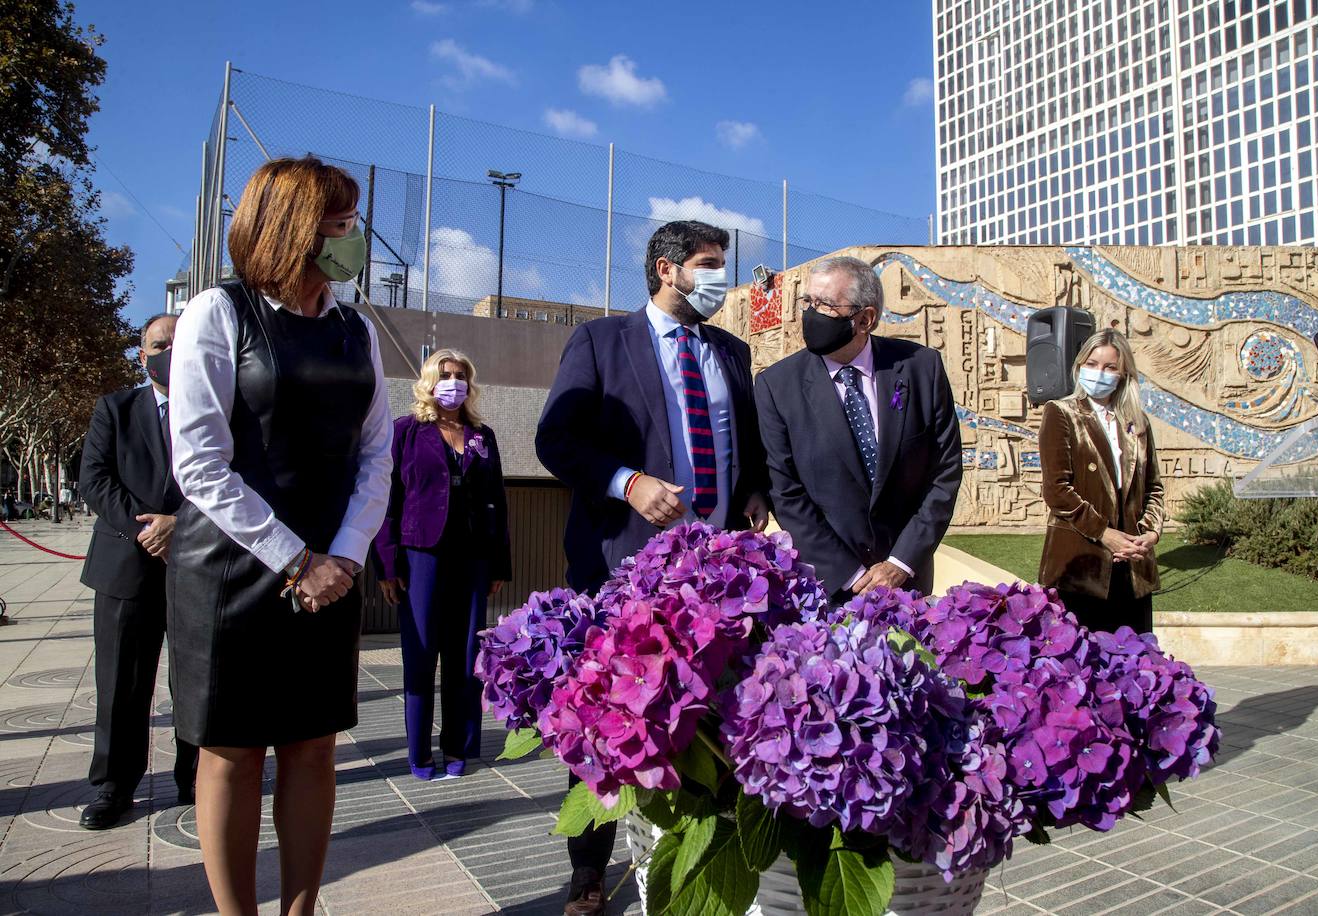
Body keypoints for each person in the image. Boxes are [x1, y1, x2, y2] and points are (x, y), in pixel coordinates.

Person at [167, 156, 392, 916]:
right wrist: (297, 559)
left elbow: (376, 455)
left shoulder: (356, 329)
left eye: (352, 223)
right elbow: (200, 464)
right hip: (232, 571)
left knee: (313, 746)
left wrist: (344, 557)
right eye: (341, 224)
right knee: (231, 753)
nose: (353, 238)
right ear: (292, 228)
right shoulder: (218, 313)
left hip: (330, 573)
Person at [535, 219, 770, 916]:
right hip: (625, 569)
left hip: (716, 576)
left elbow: (745, 440)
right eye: (708, 263)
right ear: (667, 270)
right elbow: (555, 440)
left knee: (706, 714)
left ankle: (698, 858)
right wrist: (628, 482)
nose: (720, 277)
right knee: (611, 720)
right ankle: (588, 871)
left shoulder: (731, 351)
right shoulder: (601, 342)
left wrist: (754, 489)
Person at [755, 256, 963, 599]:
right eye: (808, 302)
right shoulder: (777, 386)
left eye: (824, 304)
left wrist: (901, 562)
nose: (811, 314)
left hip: (907, 581)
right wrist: (850, 575)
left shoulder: (921, 368)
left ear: (865, 319)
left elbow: (944, 472)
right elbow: (785, 491)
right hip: (829, 587)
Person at [76, 314, 198, 829]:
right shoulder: (116, 408)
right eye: (159, 344)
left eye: (179, 342)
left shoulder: (218, 410)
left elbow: (234, 479)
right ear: (143, 353)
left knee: (194, 680)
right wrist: (146, 529)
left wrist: (180, 525)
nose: (169, 351)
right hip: (125, 567)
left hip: (194, 565)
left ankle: (195, 778)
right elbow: (94, 479)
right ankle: (114, 785)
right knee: (121, 682)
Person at [373, 348, 512, 781]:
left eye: (461, 375)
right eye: (446, 374)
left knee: (464, 656)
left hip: (472, 558)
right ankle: (419, 754)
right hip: (420, 557)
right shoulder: (405, 431)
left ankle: (458, 747)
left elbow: (497, 501)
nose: (454, 382)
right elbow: (386, 498)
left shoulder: (482, 435)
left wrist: (498, 564)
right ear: (429, 382)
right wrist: (386, 564)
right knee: (420, 656)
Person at [1038, 329, 1164, 633]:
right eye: (1092, 364)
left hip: (1132, 566)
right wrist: (1104, 533)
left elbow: (1153, 487)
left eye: (1109, 367)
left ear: (1123, 374)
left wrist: (1149, 534)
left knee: (1135, 655)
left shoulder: (1137, 423)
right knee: (1082, 655)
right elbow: (1057, 490)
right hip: (1081, 567)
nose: (1099, 373)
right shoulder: (1062, 413)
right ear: (1080, 366)